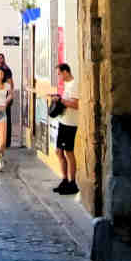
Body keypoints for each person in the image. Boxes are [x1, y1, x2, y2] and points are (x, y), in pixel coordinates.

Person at [53, 61, 80, 195]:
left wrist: (62, 101)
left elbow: (76, 105)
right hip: (63, 122)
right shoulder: (67, 85)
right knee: (59, 151)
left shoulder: (74, 85)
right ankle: (64, 180)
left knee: (69, 152)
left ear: (65, 72)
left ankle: (72, 182)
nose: (58, 77)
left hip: (70, 124)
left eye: (59, 74)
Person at [0, 51, 16, 150]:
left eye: (0, 58)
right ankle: (2, 141)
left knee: (5, 120)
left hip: (5, 98)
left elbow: (10, 83)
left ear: (3, 59)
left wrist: (9, 96)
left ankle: (6, 142)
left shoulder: (6, 69)